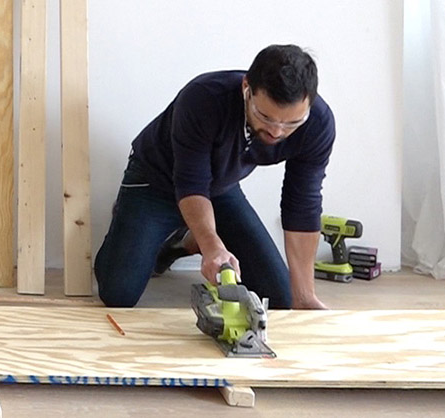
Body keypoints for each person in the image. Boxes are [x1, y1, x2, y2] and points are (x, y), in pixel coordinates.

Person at [93, 44, 334, 310]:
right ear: (247, 89)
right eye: (265, 117)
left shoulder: (318, 124)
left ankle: (184, 242)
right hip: (155, 181)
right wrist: (212, 245)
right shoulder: (204, 98)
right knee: (118, 293)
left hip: (220, 187)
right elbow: (191, 183)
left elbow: (302, 205)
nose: (277, 132)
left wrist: (304, 295)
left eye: (291, 123)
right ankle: (134, 228)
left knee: (280, 299)